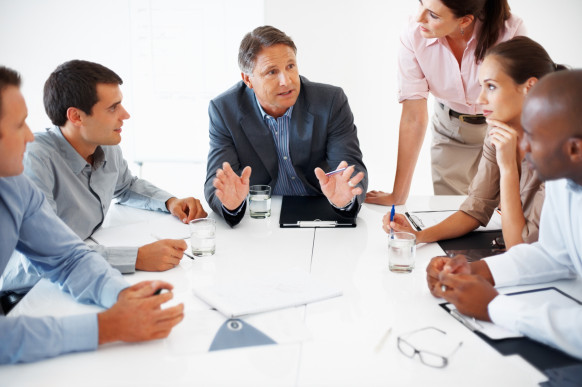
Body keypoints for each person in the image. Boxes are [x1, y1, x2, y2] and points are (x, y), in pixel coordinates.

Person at [0, 66, 184, 364]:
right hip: (22, 297)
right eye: (19, 125)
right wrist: (106, 327)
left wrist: (121, 296)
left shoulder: (13, 184)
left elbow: (66, 257)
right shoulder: (34, 161)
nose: (29, 137)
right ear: (76, 116)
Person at [426, 69, 582, 360]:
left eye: (532, 138)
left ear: (574, 149)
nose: (522, 147)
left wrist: (494, 307)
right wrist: (477, 271)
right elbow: (553, 255)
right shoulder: (566, 179)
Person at [384, 37, 565, 249]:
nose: (480, 99)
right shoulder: (497, 134)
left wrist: (507, 168)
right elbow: (475, 209)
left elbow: (518, 245)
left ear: (529, 87)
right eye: (481, 86)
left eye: (491, 86)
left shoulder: (560, 151)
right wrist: (418, 235)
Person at [204, 26, 367, 227]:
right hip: (261, 220)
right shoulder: (224, 110)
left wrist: (345, 201)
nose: (287, 80)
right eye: (272, 72)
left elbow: (349, 166)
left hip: (320, 211)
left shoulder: (330, 102)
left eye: (290, 66)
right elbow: (218, 180)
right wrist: (230, 205)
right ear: (248, 79)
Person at [366, 0, 526, 205]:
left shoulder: (510, 32)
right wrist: (398, 195)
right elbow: (413, 117)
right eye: (421, 4)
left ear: (465, 20)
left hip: (502, 127)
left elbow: (522, 102)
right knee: (453, 210)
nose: (419, 18)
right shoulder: (413, 35)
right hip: (451, 129)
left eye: (433, 15)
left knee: (507, 209)